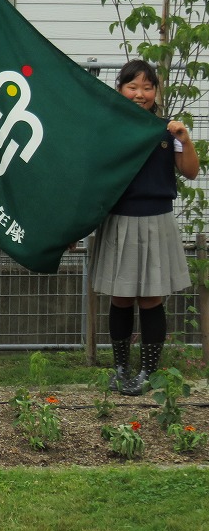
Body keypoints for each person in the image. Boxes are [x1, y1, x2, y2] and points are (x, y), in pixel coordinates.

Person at [90, 59, 198, 396]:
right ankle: (120, 368)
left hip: (156, 218)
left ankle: (149, 370)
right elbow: (88, 178)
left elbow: (191, 172)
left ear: (156, 92)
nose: (140, 94)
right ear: (120, 89)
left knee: (151, 299)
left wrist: (185, 137)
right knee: (121, 297)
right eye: (133, 86)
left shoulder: (167, 130)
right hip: (118, 218)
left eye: (147, 87)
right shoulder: (105, 129)